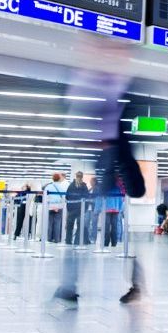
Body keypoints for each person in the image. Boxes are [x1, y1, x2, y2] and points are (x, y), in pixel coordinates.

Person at [56, 54, 142, 305]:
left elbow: (112, 141)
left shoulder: (122, 104)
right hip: (112, 184)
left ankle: (134, 286)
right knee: (94, 236)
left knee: (128, 243)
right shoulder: (114, 104)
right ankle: (70, 287)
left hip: (120, 187)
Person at [66, 171, 91, 244]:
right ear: (82, 177)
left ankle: (68, 241)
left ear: (75, 176)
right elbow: (87, 198)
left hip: (71, 209)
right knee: (80, 226)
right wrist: (85, 208)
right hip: (81, 209)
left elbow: (67, 197)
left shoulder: (71, 185)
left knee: (69, 226)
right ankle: (77, 241)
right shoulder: (84, 186)